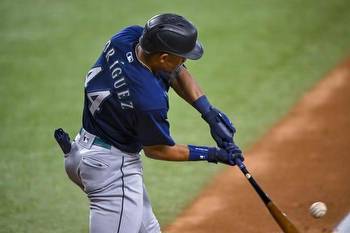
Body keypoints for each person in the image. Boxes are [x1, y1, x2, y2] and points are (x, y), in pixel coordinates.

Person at [54, 13, 243, 233]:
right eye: (182, 57)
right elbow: (157, 150)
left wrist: (208, 113)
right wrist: (213, 154)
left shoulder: (127, 38)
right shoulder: (148, 100)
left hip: (81, 152)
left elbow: (176, 72)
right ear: (163, 58)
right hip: (112, 171)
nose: (185, 62)